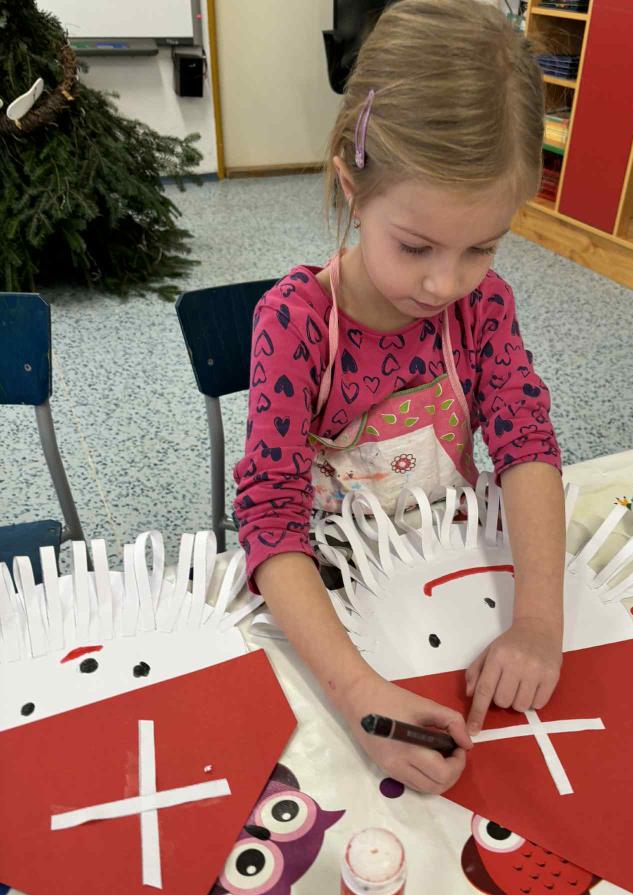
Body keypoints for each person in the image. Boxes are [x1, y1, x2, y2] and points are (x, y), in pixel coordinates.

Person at [234, 0, 564, 795]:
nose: (444, 283)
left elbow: (527, 447)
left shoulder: (484, 308)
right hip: (330, 605)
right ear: (353, 187)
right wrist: (358, 698)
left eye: (481, 247)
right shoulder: (296, 323)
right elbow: (270, 519)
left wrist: (539, 623)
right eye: (415, 247)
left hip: (443, 578)